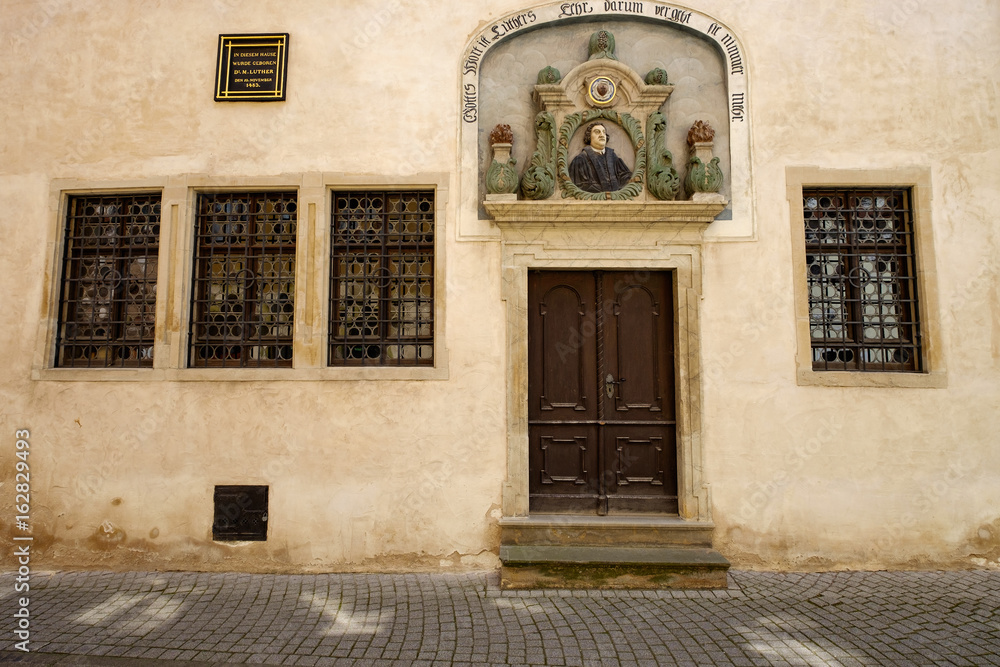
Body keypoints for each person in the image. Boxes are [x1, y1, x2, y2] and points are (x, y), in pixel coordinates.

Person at [568, 123, 633, 193]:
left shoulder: (613, 157)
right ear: (589, 136)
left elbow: (626, 177)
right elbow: (581, 186)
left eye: (604, 132)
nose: (602, 135)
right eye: (597, 132)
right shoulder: (581, 160)